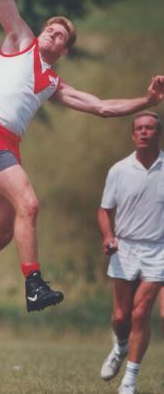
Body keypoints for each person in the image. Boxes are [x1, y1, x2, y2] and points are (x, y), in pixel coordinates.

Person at [0, 0, 164, 314]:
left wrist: (147, 101)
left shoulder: (53, 81)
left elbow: (102, 107)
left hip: (9, 145)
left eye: (61, 36)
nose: (53, 35)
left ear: (65, 50)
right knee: (31, 204)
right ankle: (34, 284)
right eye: (50, 30)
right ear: (38, 33)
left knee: (4, 230)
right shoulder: (20, 40)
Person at [98, 111, 164, 394]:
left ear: (158, 133)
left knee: (140, 313)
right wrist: (108, 236)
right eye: (139, 128)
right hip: (124, 248)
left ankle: (130, 380)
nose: (144, 132)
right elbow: (104, 210)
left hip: (158, 249)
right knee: (121, 317)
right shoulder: (119, 170)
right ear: (132, 134)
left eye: (149, 128)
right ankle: (120, 346)